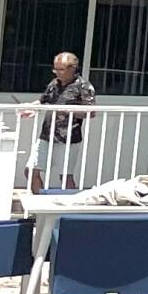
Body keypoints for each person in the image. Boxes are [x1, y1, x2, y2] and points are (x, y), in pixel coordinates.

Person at [35, 50, 97, 192]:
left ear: (72, 68)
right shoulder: (54, 83)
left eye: (60, 69)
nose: (56, 72)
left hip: (68, 137)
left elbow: (91, 112)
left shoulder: (83, 86)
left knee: (65, 176)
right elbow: (43, 101)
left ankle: (68, 208)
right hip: (46, 135)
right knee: (31, 170)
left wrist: (69, 111)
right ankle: (40, 206)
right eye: (55, 68)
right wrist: (30, 108)